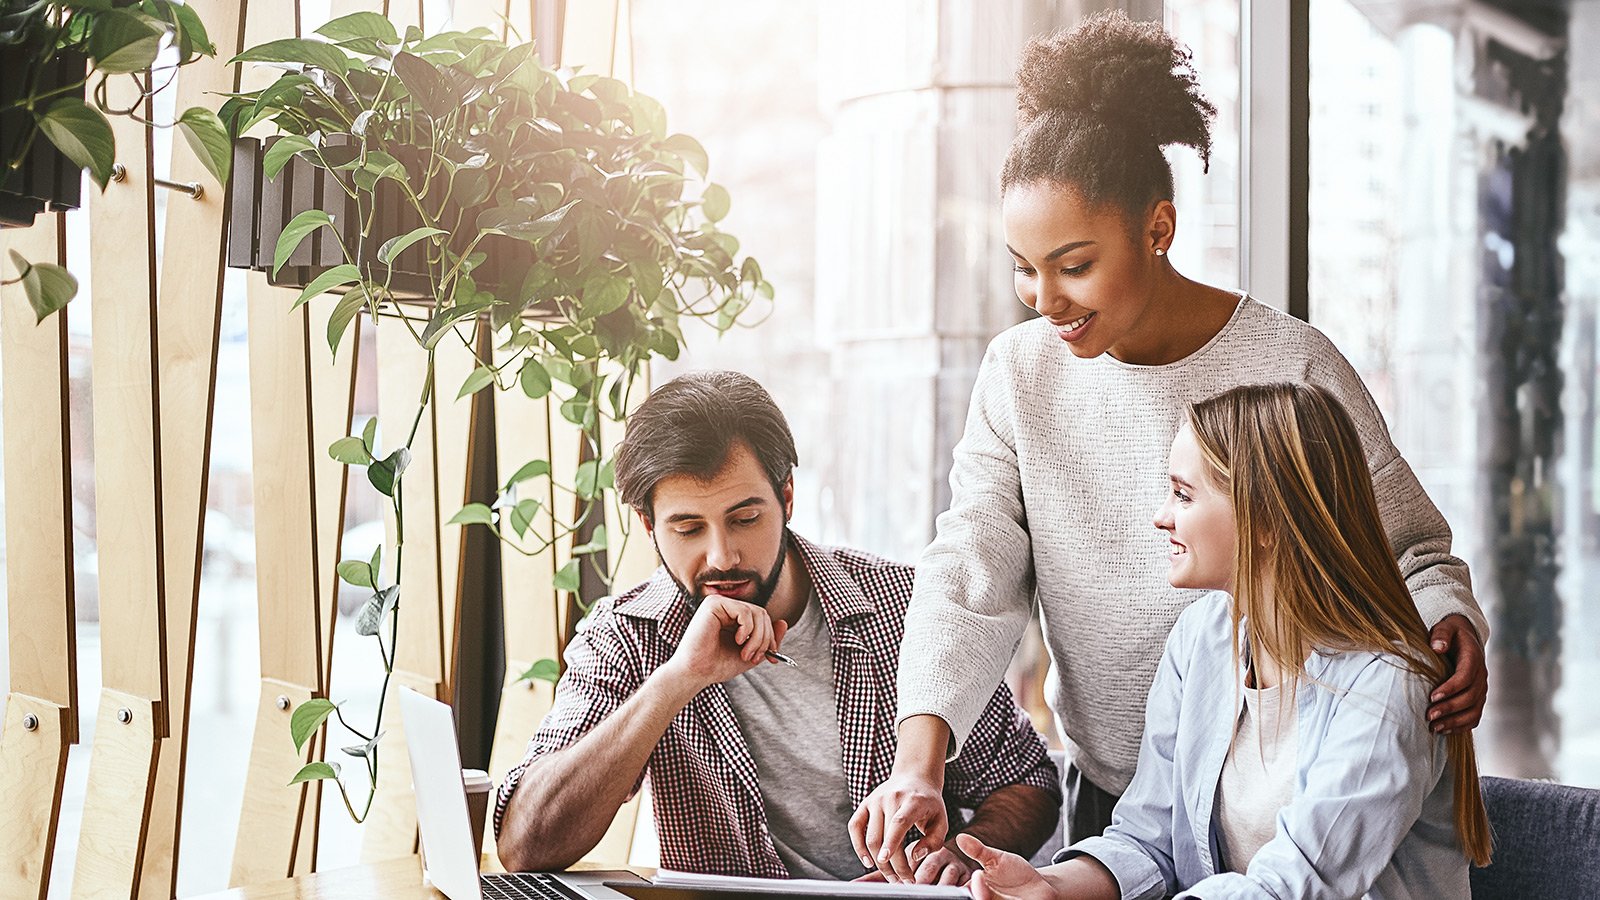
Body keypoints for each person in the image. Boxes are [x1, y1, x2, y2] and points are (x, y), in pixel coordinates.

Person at [850, 10, 1489, 882]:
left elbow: (1408, 548)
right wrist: (918, 759)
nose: (1043, 296)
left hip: (1304, 784)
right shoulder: (1018, 373)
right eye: (1023, 265)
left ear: (1158, 229)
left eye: (1073, 264)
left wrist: (1443, 622)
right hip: (1133, 807)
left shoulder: (1290, 363)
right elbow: (971, 572)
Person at [494, 371, 1061, 883]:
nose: (722, 556)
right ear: (647, 525)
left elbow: (1027, 779)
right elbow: (525, 844)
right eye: (688, 528)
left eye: (745, 518)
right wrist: (676, 680)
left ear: (786, 496)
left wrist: (962, 857)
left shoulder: (906, 605)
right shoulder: (625, 636)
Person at [955, 382, 1491, 899]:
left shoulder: (1388, 683)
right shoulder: (1200, 641)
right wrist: (1049, 887)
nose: (1161, 516)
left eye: (1184, 495)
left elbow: (1293, 888)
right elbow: (1148, 842)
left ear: (1267, 520)